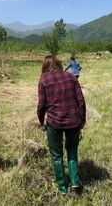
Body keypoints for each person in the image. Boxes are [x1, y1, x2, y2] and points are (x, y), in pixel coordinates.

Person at [37, 55, 86, 194]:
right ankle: (75, 182)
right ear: (59, 64)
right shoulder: (71, 77)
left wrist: (41, 121)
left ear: (45, 67)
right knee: (72, 151)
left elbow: (41, 105)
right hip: (74, 121)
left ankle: (62, 187)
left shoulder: (44, 80)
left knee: (56, 155)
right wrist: (82, 120)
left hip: (54, 123)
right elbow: (81, 101)